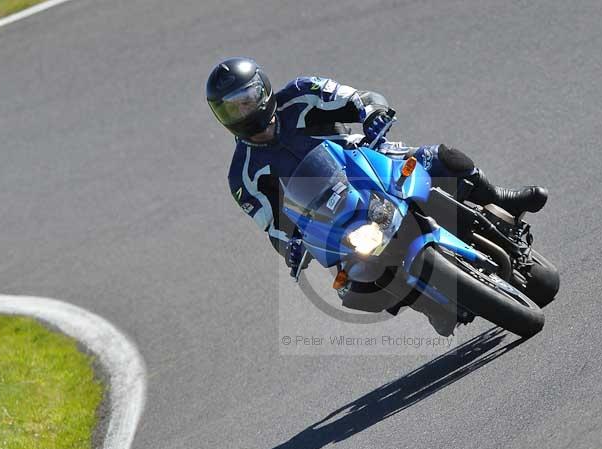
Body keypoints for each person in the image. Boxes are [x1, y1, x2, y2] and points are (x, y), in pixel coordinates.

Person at [206, 57, 548, 333]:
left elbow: (357, 99)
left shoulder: (301, 93)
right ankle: (429, 305)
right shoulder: (243, 175)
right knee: (351, 283)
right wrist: (292, 246)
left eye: (245, 101)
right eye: (230, 110)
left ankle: (501, 198)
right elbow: (272, 225)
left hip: (368, 161)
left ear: (263, 91)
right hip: (334, 216)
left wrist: (372, 113)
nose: (242, 112)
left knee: (443, 158)